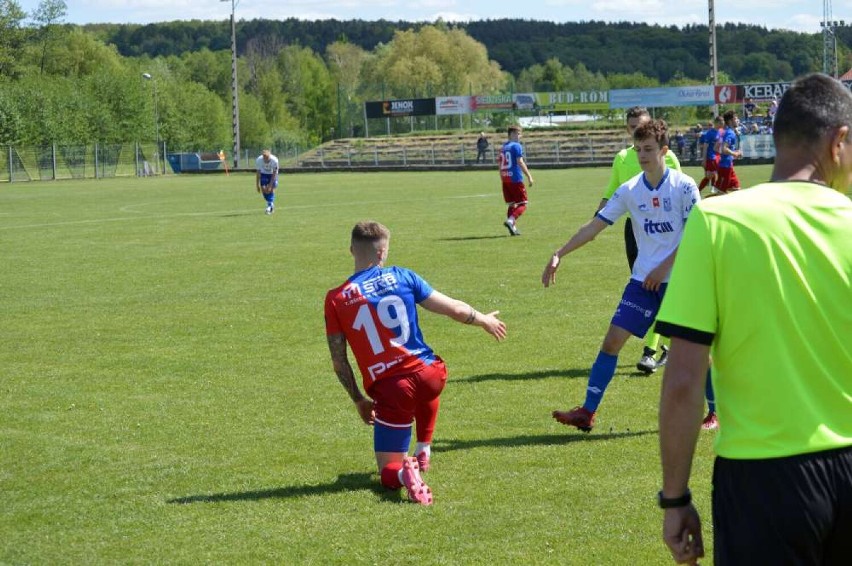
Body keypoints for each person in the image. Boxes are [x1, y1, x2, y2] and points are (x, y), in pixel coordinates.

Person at [656, 73, 852, 565]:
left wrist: (676, 499)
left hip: (762, 480)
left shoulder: (717, 221)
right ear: (839, 141)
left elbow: (683, 381)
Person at [324, 221, 507, 505]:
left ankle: (405, 473)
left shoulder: (335, 299)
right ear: (382, 252)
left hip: (393, 389)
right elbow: (456, 309)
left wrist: (359, 399)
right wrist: (484, 319)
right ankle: (423, 448)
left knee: (387, 471)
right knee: (425, 384)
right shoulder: (403, 276)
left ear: (351, 250)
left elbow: (339, 362)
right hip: (430, 373)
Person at [544, 120, 700, 432]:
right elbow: (594, 226)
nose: (642, 155)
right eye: (638, 149)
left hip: (681, 281)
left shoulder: (684, 186)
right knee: (611, 343)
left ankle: (714, 413)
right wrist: (560, 253)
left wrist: (664, 267)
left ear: (664, 151)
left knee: (696, 354)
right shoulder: (630, 190)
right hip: (644, 282)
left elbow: (696, 236)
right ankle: (587, 412)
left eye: (649, 149)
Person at [596, 107, 682, 375]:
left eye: (642, 126)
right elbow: (612, 192)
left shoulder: (671, 159)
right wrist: (595, 223)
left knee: (664, 290)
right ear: (627, 130)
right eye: (632, 127)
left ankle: (650, 351)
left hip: (669, 238)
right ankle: (662, 345)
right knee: (648, 287)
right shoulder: (622, 158)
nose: (637, 130)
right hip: (637, 232)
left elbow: (677, 190)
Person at [498, 125, 534, 236]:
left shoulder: (503, 147)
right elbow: (520, 162)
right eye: (518, 133)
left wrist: (502, 178)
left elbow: (500, 164)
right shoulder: (516, 146)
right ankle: (511, 220)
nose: (520, 136)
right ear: (512, 134)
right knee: (523, 204)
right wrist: (529, 176)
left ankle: (512, 228)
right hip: (515, 178)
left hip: (505, 178)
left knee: (512, 204)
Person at [714, 110, 743, 195]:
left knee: (736, 188)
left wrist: (731, 152)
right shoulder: (730, 133)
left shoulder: (722, 131)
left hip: (726, 165)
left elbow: (716, 148)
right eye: (735, 118)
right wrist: (735, 154)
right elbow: (724, 149)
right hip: (725, 167)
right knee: (721, 193)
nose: (737, 120)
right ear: (730, 121)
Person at [696, 117, 723, 194]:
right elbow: (705, 146)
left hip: (718, 156)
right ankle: (701, 190)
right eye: (721, 123)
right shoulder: (709, 133)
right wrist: (704, 159)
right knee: (710, 175)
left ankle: (713, 188)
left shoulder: (721, 132)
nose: (722, 125)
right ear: (717, 123)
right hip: (711, 157)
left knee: (713, 175)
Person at [255, 149, 279, 214]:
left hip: (272, 174)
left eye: (267, 158)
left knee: (270, 189)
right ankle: (270, 204)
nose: (266, 160)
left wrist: (270, 185)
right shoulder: (259, 160)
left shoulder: (275, 160)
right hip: (264, 174)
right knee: (264, 189)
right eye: (264, 159)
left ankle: (270, 206)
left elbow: (274, 173)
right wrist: (257, 185)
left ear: (270, 156)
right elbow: (258, 173)